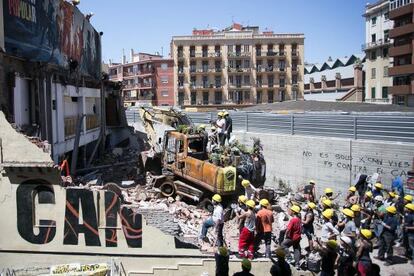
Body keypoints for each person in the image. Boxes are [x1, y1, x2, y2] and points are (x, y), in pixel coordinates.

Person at [282, 205, 302, 269]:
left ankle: (289, 258)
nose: (289, 211)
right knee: (296, 249)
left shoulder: (293, 220)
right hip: (298, 237)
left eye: (290, 210)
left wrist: (286, 235)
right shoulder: (299, 219)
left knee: (283, 245)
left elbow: (288, 229)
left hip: (292, 237)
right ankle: (297, 264)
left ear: (293, 212)